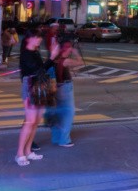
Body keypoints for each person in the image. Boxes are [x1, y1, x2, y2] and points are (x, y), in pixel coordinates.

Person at [14, 28, 48, 166]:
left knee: (36, 120)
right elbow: (37, 70)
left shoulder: (35, 52)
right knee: (30, 120)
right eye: (37, 37)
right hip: (30, 87)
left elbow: (42, 70)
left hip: (40, 87)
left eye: (40, 37)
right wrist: (52, 58)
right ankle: (19, 153)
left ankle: (28, 151)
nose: (39, 39)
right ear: (29, 39)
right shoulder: (26, 54)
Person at [46, 34, 85, 147]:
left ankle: (56, 138)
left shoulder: (55, 59)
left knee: (58, 113)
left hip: (55, 88)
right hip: (65, 88)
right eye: (69, 48)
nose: (70, 50)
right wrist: (76, 52)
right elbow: (80, 62)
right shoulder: (65, 60)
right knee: (68, 114)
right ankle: (64, 140)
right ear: (65, 48)